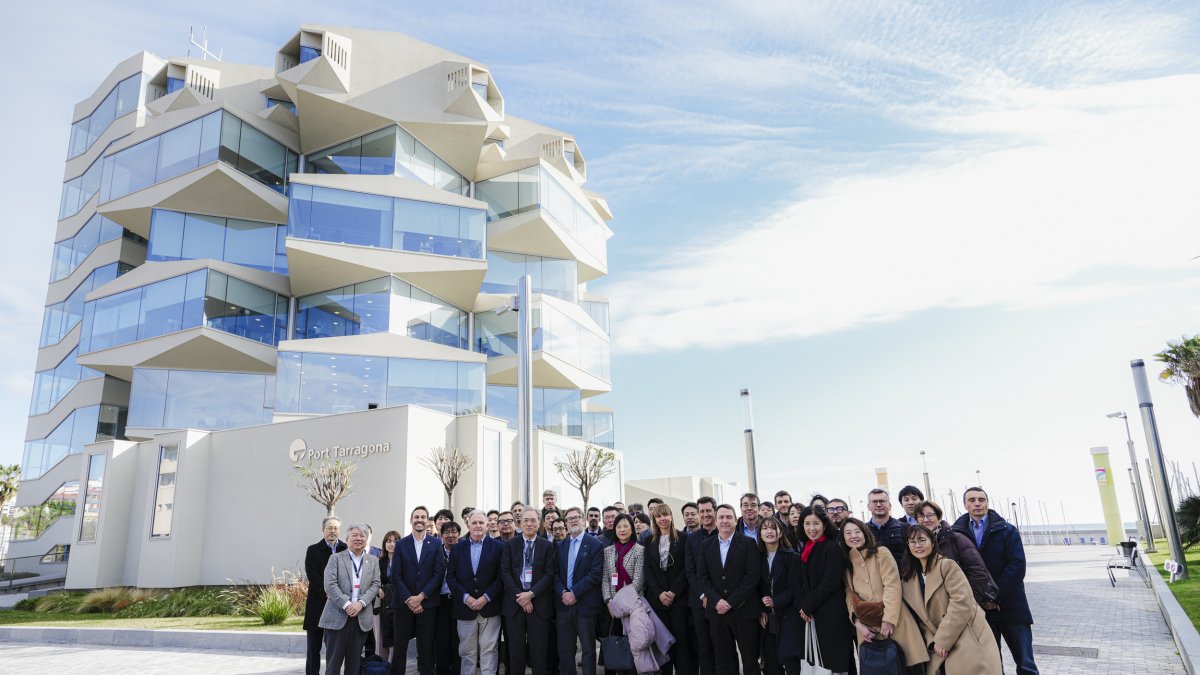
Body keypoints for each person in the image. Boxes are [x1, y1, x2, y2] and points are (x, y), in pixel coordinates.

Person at [951, 488, 1039, 675]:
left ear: (987, 503)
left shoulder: (1007, 530)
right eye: (972, 500)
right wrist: (981, 600)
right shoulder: (956, 534)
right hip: (980, 610)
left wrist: (995, 597)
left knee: (1026, 664)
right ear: (965, 505)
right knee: (992, 665)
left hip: (1012, 606)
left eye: (981, 499)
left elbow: (1017, 566)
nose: (977, 503)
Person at [900, 525, 1001, 674]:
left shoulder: (947, 566)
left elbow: (962, 603)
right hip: (936, 644)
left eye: (922, 540)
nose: (918, 545)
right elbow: (920, 619)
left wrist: (943, 639)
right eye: (912, 542)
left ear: (932, 543)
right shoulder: (909, 579)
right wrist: (933, 642)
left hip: (965, 633)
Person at [839, 518, 928, 673]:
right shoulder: (847, 565)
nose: (854, 536)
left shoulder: (881, 553)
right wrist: (857, 622)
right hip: (868, 629)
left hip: (896, 622)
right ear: (843, 538)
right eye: (848, 533)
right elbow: (849, 594)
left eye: (857, 531)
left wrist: (888, 619)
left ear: (865, 533)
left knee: (909, 668)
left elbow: (892, 585)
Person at [696, 503, 761, 675]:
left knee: (750, 660)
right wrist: (717, 601)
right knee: (723, 661)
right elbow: (702, 577)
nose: (725, 521)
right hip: (717, 613)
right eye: (721, 517)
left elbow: (752, 577)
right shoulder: (706, 545)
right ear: (716, 521)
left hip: (744, 610)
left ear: (735, 520)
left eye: (728, 517)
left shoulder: (748, 544)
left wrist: (731, 602)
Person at [792, 506, 853, 675]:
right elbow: (801, 582)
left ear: (824, 525)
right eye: (807, 523)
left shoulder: (832, 547)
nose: (812, 528)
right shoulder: (806, 548)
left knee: (836, 663)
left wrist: (808, 605)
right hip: (813, 614)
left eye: (816, 523)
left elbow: (830, 582)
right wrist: (803, 606)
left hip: (832, 615)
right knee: (820, 663)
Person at [319, 523, 382, 675]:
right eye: (354, 535)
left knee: (354, 666)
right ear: (347, 539)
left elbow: (375, 584)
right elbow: (330, 585)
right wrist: (347, 604)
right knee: (333, 665)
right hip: (337, 617)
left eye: (362, 536)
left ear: (367, 539)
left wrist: (361, 603)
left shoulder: (373, 560)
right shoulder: (336, 558)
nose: (358, 538)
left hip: (361, 618)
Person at [447, 510, 505, 675]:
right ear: (468, 525)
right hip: (465, 609)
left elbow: (501, 577)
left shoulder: (499, 547)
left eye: (481, 522)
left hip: (490, 608)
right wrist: (466, 598)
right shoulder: (457, 548)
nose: (478, 526)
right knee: (467, 653)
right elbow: (450, 577)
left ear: (488, 525)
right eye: (474, 523)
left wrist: (486, 597)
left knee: (489, 650)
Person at [502, 509, 557, 675]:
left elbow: (549, 574)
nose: (529, 524)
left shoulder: (546, 545)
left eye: (533, 520)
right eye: (526, 520)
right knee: (516, 652)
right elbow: (505, 572)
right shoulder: (510, 544)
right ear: (520, 523)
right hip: (515, 605)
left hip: (538, 605)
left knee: (539, 653)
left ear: (538, 522)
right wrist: (521, 597)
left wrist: (531, 594)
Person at [392, 506, 446, 675]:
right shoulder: (401, 544)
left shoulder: (436, 543)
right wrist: (410, 599)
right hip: (403, 604)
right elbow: (396, 575)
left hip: (427, 604)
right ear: (411, 521)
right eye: (416, 517)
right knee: (400, 647)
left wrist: (421, 597)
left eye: (423, 517)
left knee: (426, 647)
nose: (419, 520)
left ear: (427, 521)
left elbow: (438, 573)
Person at [916, 500, 996, 607]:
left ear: (939, 517)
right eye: (921, 516)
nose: (926, 520)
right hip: (932, 607)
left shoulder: (957, 539)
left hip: (960, 604)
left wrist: (966, 601)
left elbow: (978, 572)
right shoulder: (914, 545)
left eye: (930, 515)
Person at [645, 503, 692, 675]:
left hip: (678, 599)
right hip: (657, 601)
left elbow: (687, 568)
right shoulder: (648, 541)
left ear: (671, 516)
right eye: (659, 516)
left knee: (681, 642)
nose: (663, 519)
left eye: (665, 515)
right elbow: (648, 570)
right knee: (662, 644)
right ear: (654, 520)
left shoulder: (684, 538)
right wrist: (659, 593)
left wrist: (673, 592)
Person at [556, 506, 605, 675]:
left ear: (583, 519)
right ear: (566, 523)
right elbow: (554, 574)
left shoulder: (595, 544)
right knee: (565, 650)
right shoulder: (560, 545)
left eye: (577, 517)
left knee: (588, 650)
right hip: (564, 606)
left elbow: (595, 575)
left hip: (585, 605)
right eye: (570, 519)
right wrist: (564, 592)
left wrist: (574, 593)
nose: (573, 520)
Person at [602, 513, 646, 675]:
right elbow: (606, 579)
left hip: (633, 607)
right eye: (619, 526)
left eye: (626, 526)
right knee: (616, 644)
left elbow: (639, 580)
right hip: (612, 607)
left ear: (632, 529)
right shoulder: (608, 551)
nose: (622, 529)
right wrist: (608, 601)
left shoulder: (639, 550)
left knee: (634, 645)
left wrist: (625, 604)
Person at [757, 516, 799, 675]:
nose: (769, 531)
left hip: (788, 616)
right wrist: (761, 608)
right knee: (770, 663)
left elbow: (794, 588)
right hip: (766, 618)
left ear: (781, 532)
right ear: (760, 533)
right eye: (765, 528)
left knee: (791, 663)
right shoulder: (756, 556)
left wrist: (776, 601)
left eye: (773, 528)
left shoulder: (792, 557)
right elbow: (754, 586)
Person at [304, 516, 346, 675]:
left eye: (335, 528)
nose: (333, 531)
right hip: (318, 605)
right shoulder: (313, 550)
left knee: (334, 649)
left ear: (339, 530)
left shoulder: (346, 549)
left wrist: (339, 597)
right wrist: (331, 594)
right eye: (329, 528)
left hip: (338, 607)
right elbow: (313, 576)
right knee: (313, 649)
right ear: (323, 530)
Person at [684, 496, 719, 675]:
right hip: (699, 602)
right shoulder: (692, 539)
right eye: (702, 511)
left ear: (715, 511)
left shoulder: (724, 533)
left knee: (723, 647)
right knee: (704, 647)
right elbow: (690, 571)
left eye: (708, 511)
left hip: (721, 600)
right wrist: (703, 595)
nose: (705, 514)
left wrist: (714, 597)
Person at [435, 521, 461, 675]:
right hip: (441, 600)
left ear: (459, 534)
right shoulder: (436, 552)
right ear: (441, 535)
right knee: (442, 640)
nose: (450, 536)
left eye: (454, 532)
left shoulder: (463, 551)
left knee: (458, 640)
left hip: (460, 600)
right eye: (446, 533)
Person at [375, 530, 401, 664]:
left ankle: (394, 665)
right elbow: (373, 581)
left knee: (397, 637)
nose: (392, 544)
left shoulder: (404, 561)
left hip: (399, 604)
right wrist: (379, 588)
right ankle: (383, 665)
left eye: (395, 541)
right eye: (389, 541)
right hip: (382, 605)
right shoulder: (379, 562)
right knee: (382, 639)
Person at [866, 489, 908, 562]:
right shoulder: (862, 530)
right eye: (874, 502)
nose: (878, 505)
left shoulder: (904, 527)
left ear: (890, 505)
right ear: (868, 506)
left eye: (882, 501)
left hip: (900, 573)